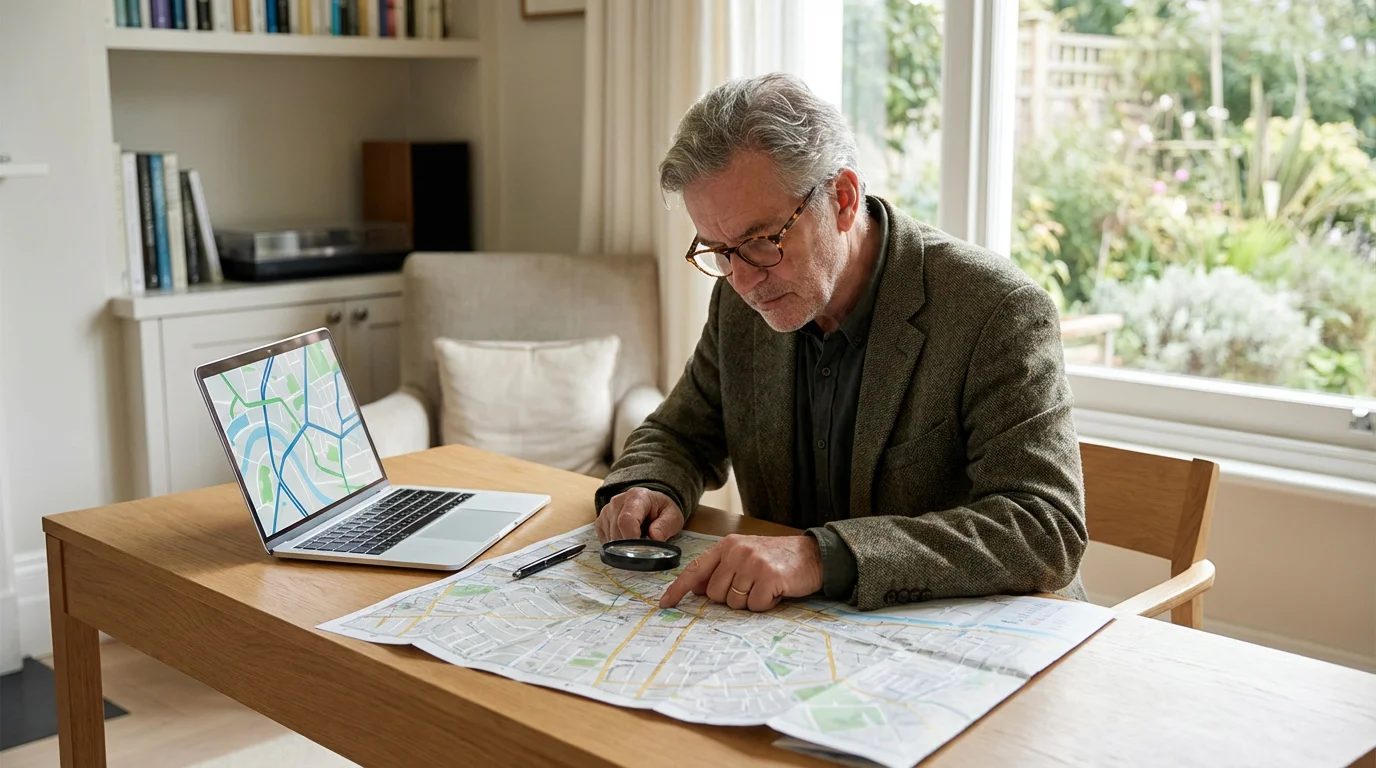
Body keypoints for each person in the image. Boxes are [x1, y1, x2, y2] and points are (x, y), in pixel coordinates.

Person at [594, 72, 1087, 613]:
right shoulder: (740, 297)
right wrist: (647, 484)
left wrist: (819, 557)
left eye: (761, 241)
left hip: (968, 638)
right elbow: (681, 433)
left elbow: (1045, 526)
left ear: (844, 198)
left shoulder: (995, 309)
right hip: (808, 632)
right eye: (717, 249)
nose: (742, 279)